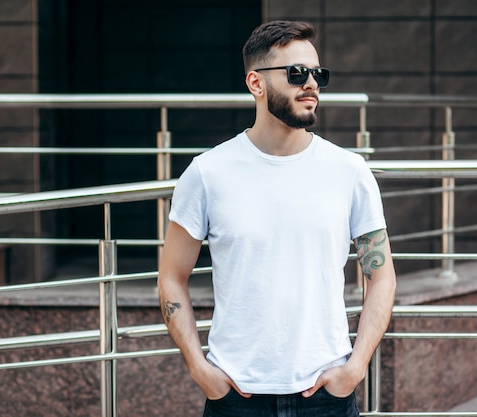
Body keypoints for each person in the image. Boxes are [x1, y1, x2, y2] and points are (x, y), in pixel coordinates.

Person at [158, 20, 396, 417]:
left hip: (327, 396)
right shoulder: (207, 173)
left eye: (318, 74)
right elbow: (171, 276)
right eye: (297, 73)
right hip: (236, 397)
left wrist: (354, 369)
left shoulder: (349, 171)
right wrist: (199, 368)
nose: (312, 85)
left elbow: (381, 274)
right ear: (256, 83)